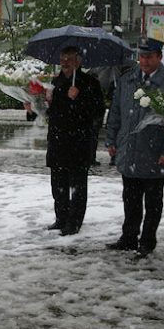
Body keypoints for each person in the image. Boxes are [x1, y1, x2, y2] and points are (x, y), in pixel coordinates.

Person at [105, 37, 164, 257]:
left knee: (152, 201)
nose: (144, 61)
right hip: (129, 150)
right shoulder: (128, 80)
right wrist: (111, 140)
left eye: (149, 57)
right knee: (130, 199)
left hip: (154, 152)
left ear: (159, 57)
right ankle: (129, 236)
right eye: (141, 56)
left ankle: (147, 240)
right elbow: (116, 113)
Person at [26, 47, 105, 236]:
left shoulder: (89, 83)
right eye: (62, 59)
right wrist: (31, 109)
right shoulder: (55, 82)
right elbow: (47, 113)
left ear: (79, 61)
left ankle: (75, 221)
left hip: (79, 142)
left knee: (77, 186)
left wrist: (79, 99)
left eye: (69, 59)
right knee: (58, 185)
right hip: (57, 141)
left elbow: (97, 112)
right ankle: (61, 218)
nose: (65, 62)